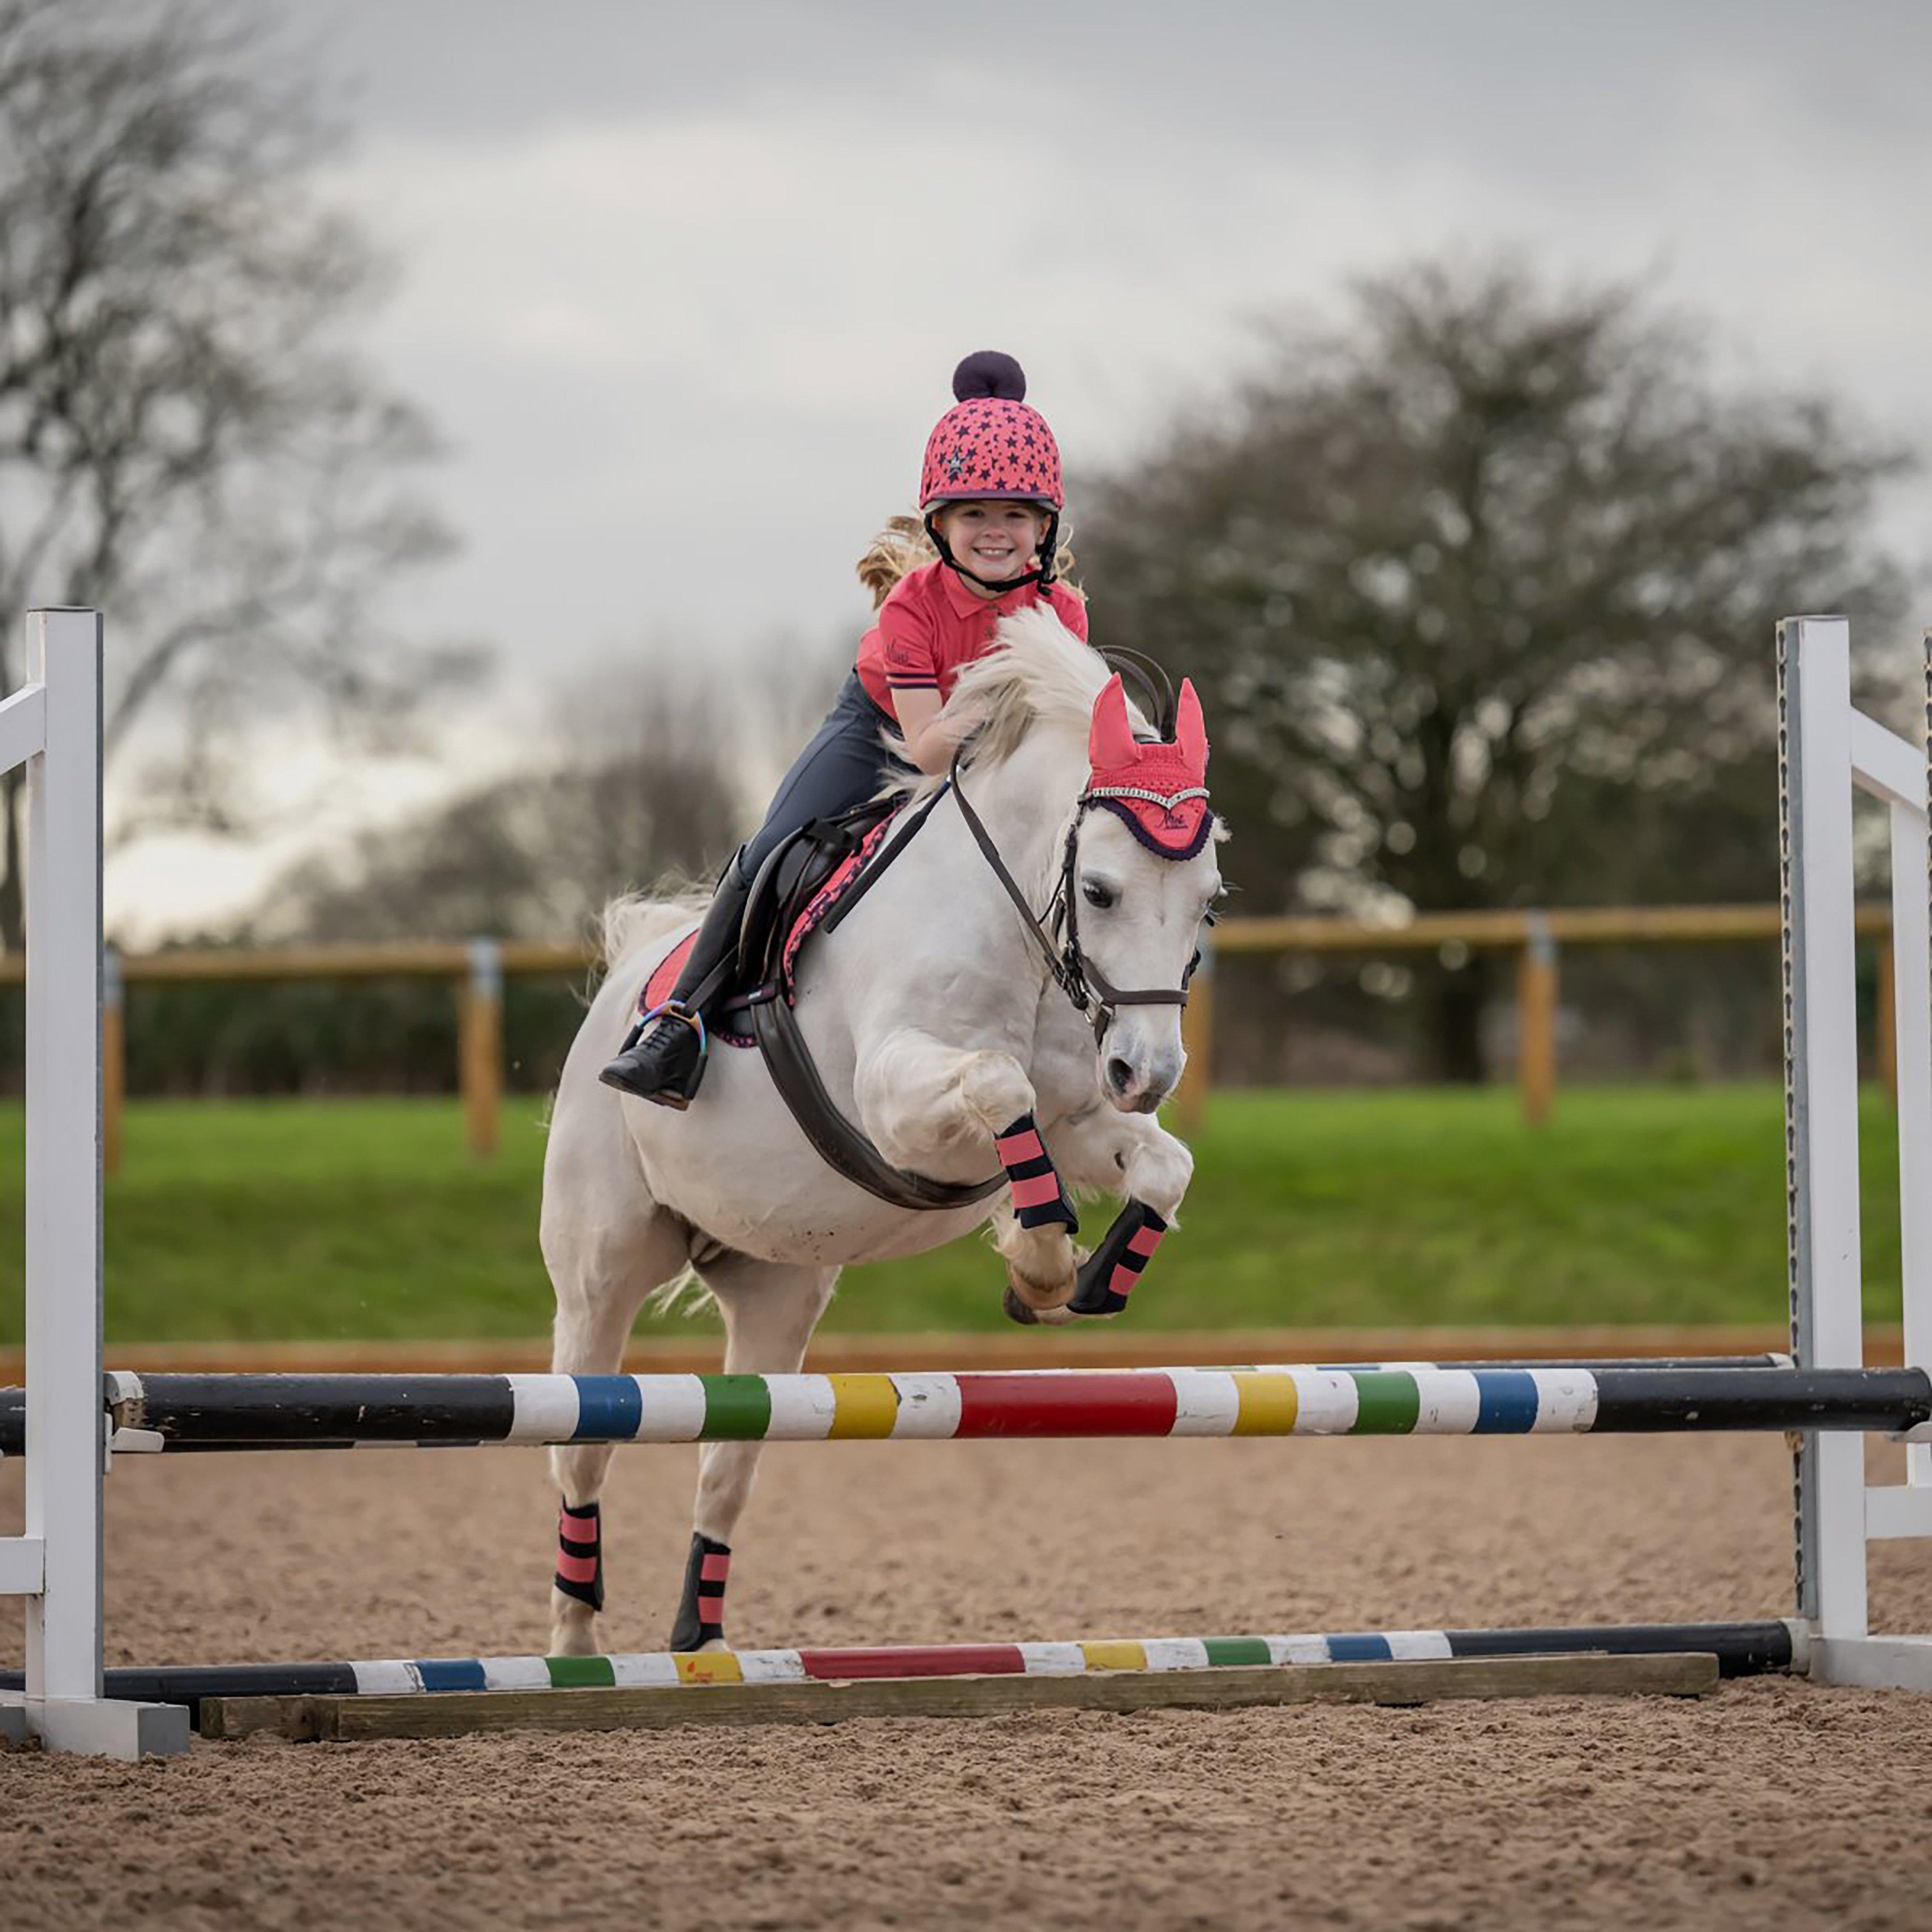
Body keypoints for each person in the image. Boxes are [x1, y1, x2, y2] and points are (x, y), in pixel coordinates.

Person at [600, 350, 1091, 1107]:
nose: (996, 532)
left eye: (1015, 515)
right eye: (975, 515)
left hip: (997, 749)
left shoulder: (1063, 616)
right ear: (939, 524)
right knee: (777, 844)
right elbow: (927, 750)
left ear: (1043, 526)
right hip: (881, 728)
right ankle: (680, 1021)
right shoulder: (911, 608)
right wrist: (999, 692)